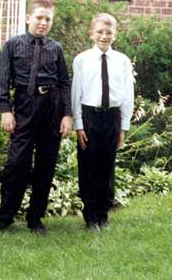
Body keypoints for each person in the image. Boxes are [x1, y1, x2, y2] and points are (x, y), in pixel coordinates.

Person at [0, 0, 73, 236]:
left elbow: (65, 83)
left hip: (52, 107)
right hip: (25, 106)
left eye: (48, 19)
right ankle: (4, 218)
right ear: (28, 18)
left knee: (46, 163)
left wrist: (66, 114)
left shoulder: (55, 48)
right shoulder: (13, 45)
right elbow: (3, 81)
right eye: (39, 18)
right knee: (16, 163)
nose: (43, 23)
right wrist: (6, 110)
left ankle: (35, 218)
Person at [71, 13, 134, 231]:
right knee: (89, 166)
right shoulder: (82, 60)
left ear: (115, 35)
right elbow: (75, 93)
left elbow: (128, 95)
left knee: (107, 166)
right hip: (89, 117)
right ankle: (90, 217)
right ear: (91, 34)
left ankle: (103, 215)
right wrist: (78, 125)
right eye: (99, 32)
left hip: (112, 117)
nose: (104, 36)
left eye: (108, 32)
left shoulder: (122, 61)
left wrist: (123, 127)